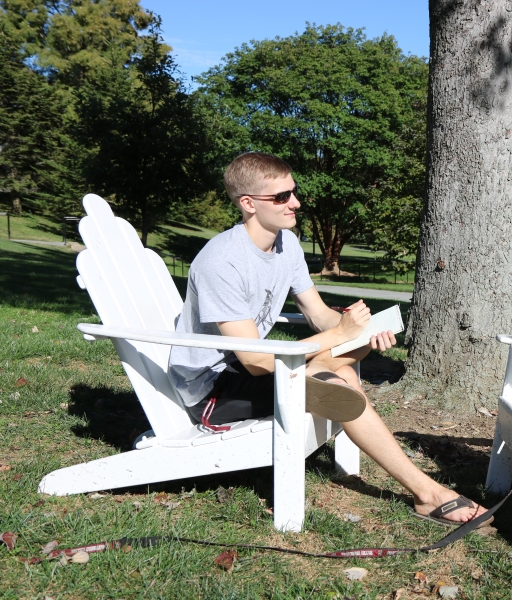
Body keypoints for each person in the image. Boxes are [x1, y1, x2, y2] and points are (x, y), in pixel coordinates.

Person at [168, 151, 487, 524]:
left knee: (344, 373)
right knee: (339, 379)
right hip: (214, 388)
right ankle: (428, 492)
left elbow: (319, 315)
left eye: (294, 192)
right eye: (282, 197)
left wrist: (360, 331)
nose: (296, 203)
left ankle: (421, 487)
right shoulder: (222, 261)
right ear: (248, 204)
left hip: (249, 366)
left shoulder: (286, 245)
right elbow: (255, 362)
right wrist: (338, 335)